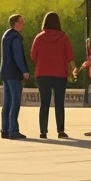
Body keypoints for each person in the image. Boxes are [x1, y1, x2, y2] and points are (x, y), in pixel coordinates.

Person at [31, 11, 77, 140]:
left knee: (44, 103)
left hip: (42, 74)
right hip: (60, 75)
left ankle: (43, 131)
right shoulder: (63, 37)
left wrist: (43, 62)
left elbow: (33, 55)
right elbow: (70, 56)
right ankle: (61, 131)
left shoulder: (39, 37)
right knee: (59, 103)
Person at [0, 13, 29, 140]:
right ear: (16, 23)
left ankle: (4, 130)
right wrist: (24, 71)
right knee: (15, 102)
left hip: (5, 72)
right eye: (22, 22)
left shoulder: (6, 35)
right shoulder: (16, 38)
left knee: (7, 102)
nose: (23, 24)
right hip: (14, 74)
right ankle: (13, 130)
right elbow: (18, 57)